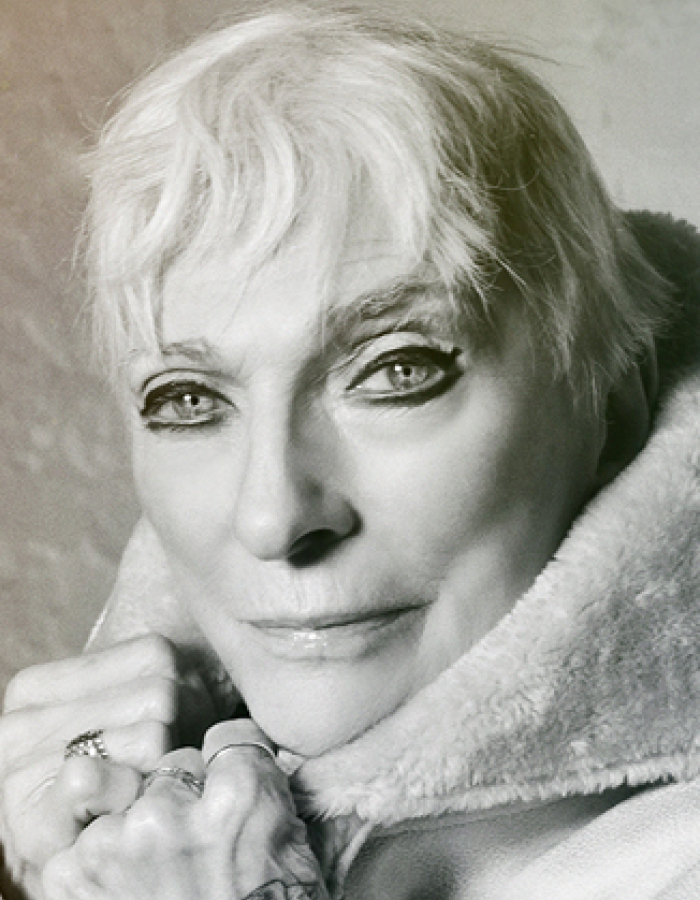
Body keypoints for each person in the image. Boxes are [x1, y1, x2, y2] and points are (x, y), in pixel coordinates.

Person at [2, 3, 700, 898]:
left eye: (396, 372)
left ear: (613, 400)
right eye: (188, 399)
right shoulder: (117, 828)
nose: (274, 517)